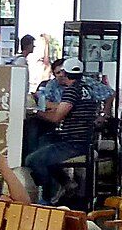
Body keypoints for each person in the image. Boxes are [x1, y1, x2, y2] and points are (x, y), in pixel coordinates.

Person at [24, 57, 102, 202]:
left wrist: (35, 112)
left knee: (32, 159)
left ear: (66, 73)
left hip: (73, 143)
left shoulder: (72, 91)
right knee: (44, 141)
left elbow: (56, 118)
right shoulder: (88, 90)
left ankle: (50, 193)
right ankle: (66, 182)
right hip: (83, 140)